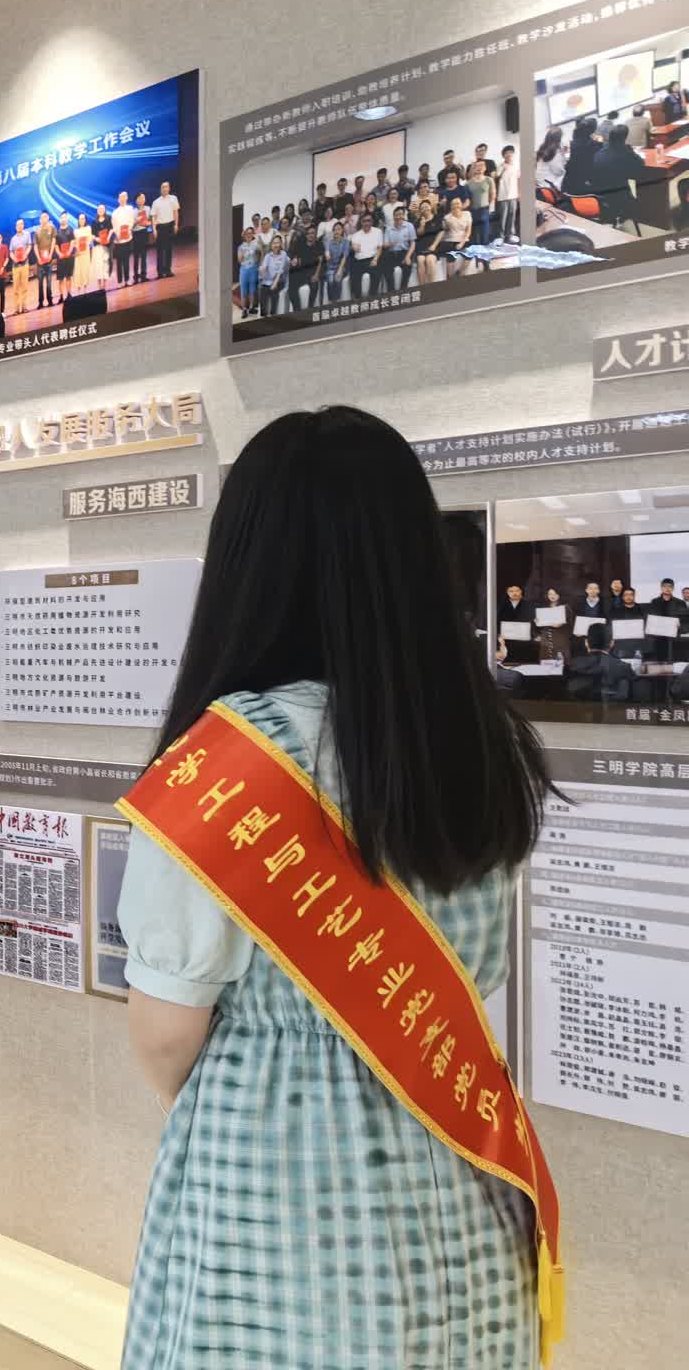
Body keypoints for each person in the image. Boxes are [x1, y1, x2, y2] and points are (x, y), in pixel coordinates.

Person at [116, 405, 553, 1370]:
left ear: (248, 568)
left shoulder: (227, 761)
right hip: (462, 1172)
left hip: (275, 1191)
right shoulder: (480, 742)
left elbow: (165, 1034)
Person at [589, 123, 646, 232]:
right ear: (625, 138)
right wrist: (630, 150)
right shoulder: (625, 151)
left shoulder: (601, 151)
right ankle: (622, 215)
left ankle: (617, 217)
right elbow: (640, 164)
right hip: (619, 196)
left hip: (599, 195)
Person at [568, 622, 635, 703]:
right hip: (611, 709)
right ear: (612, 643)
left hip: (577, 709)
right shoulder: (624, 667)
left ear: (586, 643)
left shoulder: (571, 665)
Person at [561, 116, 601, 199]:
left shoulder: (573, 142)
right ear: (593, 130)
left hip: (570, 183)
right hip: (585, 184)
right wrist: (599, 142)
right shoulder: (594, 145)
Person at [379, 205, 416, 293]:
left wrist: (407, 257)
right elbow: (385, 245)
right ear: (393, 216)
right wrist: (390, 244)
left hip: (405, 252)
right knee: (386, 267)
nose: (398, 217)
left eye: (400, 214)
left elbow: (413, 243)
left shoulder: (409, 226)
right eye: (396, 215)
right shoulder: (389, 228)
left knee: (407, 266)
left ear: (403, 215)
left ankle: (403, 290)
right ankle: (391, 291)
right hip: (392, 253)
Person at [348, 212, 384, 302]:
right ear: (361, 222)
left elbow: (380, 248)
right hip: (359, 261)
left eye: (368, 220)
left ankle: (372, 297)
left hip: (373, 259)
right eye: (364, 221)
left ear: (372, 221)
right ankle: (358, 299)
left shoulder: (378, 232)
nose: (366, 223)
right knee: (354, 275)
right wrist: (353, 247)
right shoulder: (356, 235)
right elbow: (354, 247)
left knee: (376, 272)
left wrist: (375, 259)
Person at [286, 223, 322, 312]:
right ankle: (297, 310)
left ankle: (310, 308)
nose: (310, 235)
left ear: (315, 234)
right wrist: (294, 259)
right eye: (308, 233)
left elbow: (320, 261)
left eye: (312, 233)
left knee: (314, 286)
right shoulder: (301, 243)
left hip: (312, 272)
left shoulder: (319, 244)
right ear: (306, 235)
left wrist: (316, 274)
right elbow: (295, 256)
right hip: (301, 271)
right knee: (291, 288)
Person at [498, 583, 535, 664]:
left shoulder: (530, 605)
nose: (514, 593)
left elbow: (534, 623)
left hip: (525, 641)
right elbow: (497, 622)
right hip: (507, 641)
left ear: (521, 591)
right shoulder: (501, 605)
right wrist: (499, 636)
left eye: (517, 590)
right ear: (507, 592)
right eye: (511, 591)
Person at [465, 157, 496, 245]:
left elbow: (492, 195)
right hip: (473, 211)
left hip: (484, 210)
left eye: (482, 165)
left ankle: (485, 251)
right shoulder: (468, 183)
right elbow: (467, 198)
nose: (479, 168)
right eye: (477, 166)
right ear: (474, 168)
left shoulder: (489, 180)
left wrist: (488, 207)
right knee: (475, 236)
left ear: (485, 168)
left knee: (484, 235)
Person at [441, 194, 474, 277]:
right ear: (451, 206)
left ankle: (460, 274)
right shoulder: (447, 217)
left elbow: (468, 231)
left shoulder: (467, 214)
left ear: (461, 204)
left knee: (470, 253)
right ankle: (451, 277)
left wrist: (462, 243)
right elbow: (444, 231)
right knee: (451, 258)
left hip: (464, 239)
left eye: (458, 203)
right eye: (454, 204)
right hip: (450, 240)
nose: (456, 206)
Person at [153, 180, 181, 277]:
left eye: (166, 187)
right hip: (160, 227)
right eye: (163, 187)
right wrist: (154, 229)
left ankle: (168, 270)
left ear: (169, 188)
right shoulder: (156, 202)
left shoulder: (173, 198)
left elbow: (176, 212)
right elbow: (154, 217)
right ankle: (160, 272)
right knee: (160, 250)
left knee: (169, 249)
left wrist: (176, 225)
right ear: (160, 189)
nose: (164, 189)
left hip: (170, 225)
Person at [320, 219, 351, 303]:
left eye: (339, 229)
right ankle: (331, 301)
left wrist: (340, 270)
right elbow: (327, 251)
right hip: (330, 267)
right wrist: (327, 255)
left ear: (342, 231)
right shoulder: (329, 242)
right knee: (330, 281)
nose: (337, 231)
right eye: (335, 229)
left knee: (337, 279)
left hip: (341, 266)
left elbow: (344, 257)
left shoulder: (346, 242)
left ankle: (337, 301)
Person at [258, 235, 290, 316]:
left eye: (277, 243)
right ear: (271, 245)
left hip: (279, 280)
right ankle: (263, 315)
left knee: (273, 292)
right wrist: (261, 270)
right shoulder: (268, 256)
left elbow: (280, 271)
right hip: (268, 281)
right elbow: (264, 268)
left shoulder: (283, 254)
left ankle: (273, 314)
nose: (276, 245)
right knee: (262, 292)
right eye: (274, 243)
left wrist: (275, 283)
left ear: (281, 244)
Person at [234, 226, 260, 315]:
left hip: (253, 268)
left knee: (252, 289)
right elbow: (239, 260)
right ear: (244, 235)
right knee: (243, 289)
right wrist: (244, 253)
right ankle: (244, 309)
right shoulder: (241, 247)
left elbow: (258, 257)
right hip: (244, 269)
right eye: (247, 233)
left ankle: (252, 307)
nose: (249, 235)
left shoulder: (256, 245)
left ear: (253, 234)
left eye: (250, 233)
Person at [497, 145, 521, 242]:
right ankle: (500, 236)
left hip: (513, 195)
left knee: (512, 215)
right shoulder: (500, 166)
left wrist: (519, 193)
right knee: (503, 217)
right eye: (506, 153)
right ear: (503, 155)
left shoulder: (516, 166)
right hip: (503, 195)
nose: (508, 154)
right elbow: (497, 176)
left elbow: (519, 179)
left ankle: (510, 235)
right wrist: (504, 168)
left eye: (510, 152)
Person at [535, 127, 569, 197]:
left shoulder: (544, 148)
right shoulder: (554, 153)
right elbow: (559, 172)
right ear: (558, 139)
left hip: (542, 185)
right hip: (550, 188)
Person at [9, 217, 32, 310]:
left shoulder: (27, 235)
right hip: (15, 266)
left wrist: (26, 254)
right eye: (18, 225)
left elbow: (29, 246)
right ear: (16, 227)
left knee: (24, 287)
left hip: (25, 264)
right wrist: (14, 258)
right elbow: (11, 252)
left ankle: (24, 307)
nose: (19, 226)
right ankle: (16, 309)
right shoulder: (13, 239)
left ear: (23, 225)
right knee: (16, 288)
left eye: (21, 224)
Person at [35, 211, 56, 308]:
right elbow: (35, 246)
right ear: (40, 219)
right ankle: (40, 302)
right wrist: (38, 258)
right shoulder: (37, 231)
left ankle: (50, 300)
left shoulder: (52, 228)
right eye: (42, 217)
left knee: (49, 282)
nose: (43, 219)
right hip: (40, 262)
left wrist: (51, 254)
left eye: (45, 217)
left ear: (48, 217)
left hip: (49, 260)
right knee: (40, 283)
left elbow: (53, 241)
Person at [54, 213, 77, 301]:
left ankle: (69, 294)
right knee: (60, 278)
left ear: (67, 219)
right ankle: (61, 296)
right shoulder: (57, 232)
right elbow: (56, 245)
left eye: (64, 217)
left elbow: (72, 242)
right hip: (61, 258)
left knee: (68, 276)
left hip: (69, 256)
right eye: (62, 218)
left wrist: (69, 252)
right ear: (60, 219)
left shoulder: (70, 229)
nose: (63, 219)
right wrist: (59, 254)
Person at [132, 194, 154, 283]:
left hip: (144, 232)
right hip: (136, 233)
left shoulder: (148, 209)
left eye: (143, 198)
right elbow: (131, 225)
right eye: (139, 198)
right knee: (136, 256)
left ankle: (143, 275)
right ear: (136, 200)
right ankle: (136, 276)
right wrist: (136, 221)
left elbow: (152, 220)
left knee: (144, 255)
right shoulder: (133, 211)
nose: (141, 200)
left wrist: (148, 223)